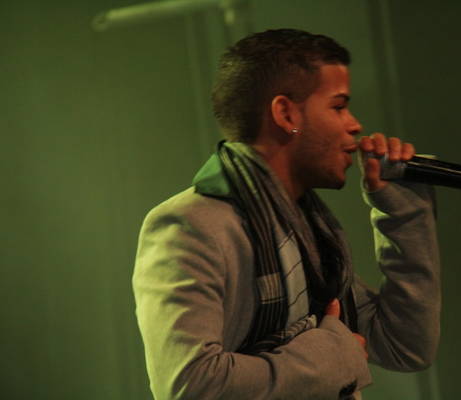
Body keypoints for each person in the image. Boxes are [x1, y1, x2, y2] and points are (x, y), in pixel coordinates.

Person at [133, 28, 441, 400]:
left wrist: (403, 214)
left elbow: (404, 346)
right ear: (286, 114)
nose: (354, 124)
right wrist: (331, 356)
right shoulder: (190, 225)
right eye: (338, 106)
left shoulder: (310, 232)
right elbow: (191, 386)